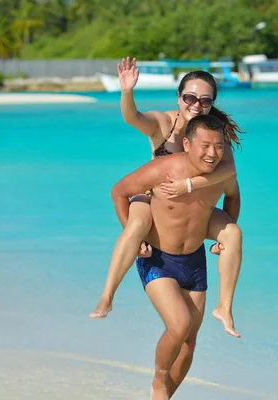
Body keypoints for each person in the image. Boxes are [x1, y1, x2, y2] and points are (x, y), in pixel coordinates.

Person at [90, 57, 243, 338]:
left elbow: (230, 172)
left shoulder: (213, 135)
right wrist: (126, 92)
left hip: (193, 208)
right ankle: (107, 296)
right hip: (151, 199)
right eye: (190, 97)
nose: (196, 105)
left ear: (212, 104)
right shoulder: (164, 124)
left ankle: (225, 307)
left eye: (204, 101)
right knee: (136, 227)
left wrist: (189, 185)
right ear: (179, 96)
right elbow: (132, 117)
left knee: (232, 233)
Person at [111, 114, 240, 399]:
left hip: (193, 258)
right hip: (157, 256)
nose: (212, 153)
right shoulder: (165, 162)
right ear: (187, 143)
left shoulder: (223, 171)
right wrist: (135, 234)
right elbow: (120, 191)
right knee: (179, 325)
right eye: (205, 145)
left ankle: (163, 396)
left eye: (218, 147)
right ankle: (159, 379)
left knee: (189, 342)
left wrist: (221, 236)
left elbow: (232, 194)